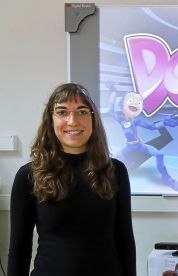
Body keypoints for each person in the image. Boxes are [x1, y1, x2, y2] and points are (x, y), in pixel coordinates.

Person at [7, 83, 136, 276]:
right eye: (62, 112)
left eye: (82, 112)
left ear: (93, 118)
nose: (72, 121)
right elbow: (19, 249)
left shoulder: (115, 170)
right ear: (51, 119)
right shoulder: (28, 175)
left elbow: (125, 239)